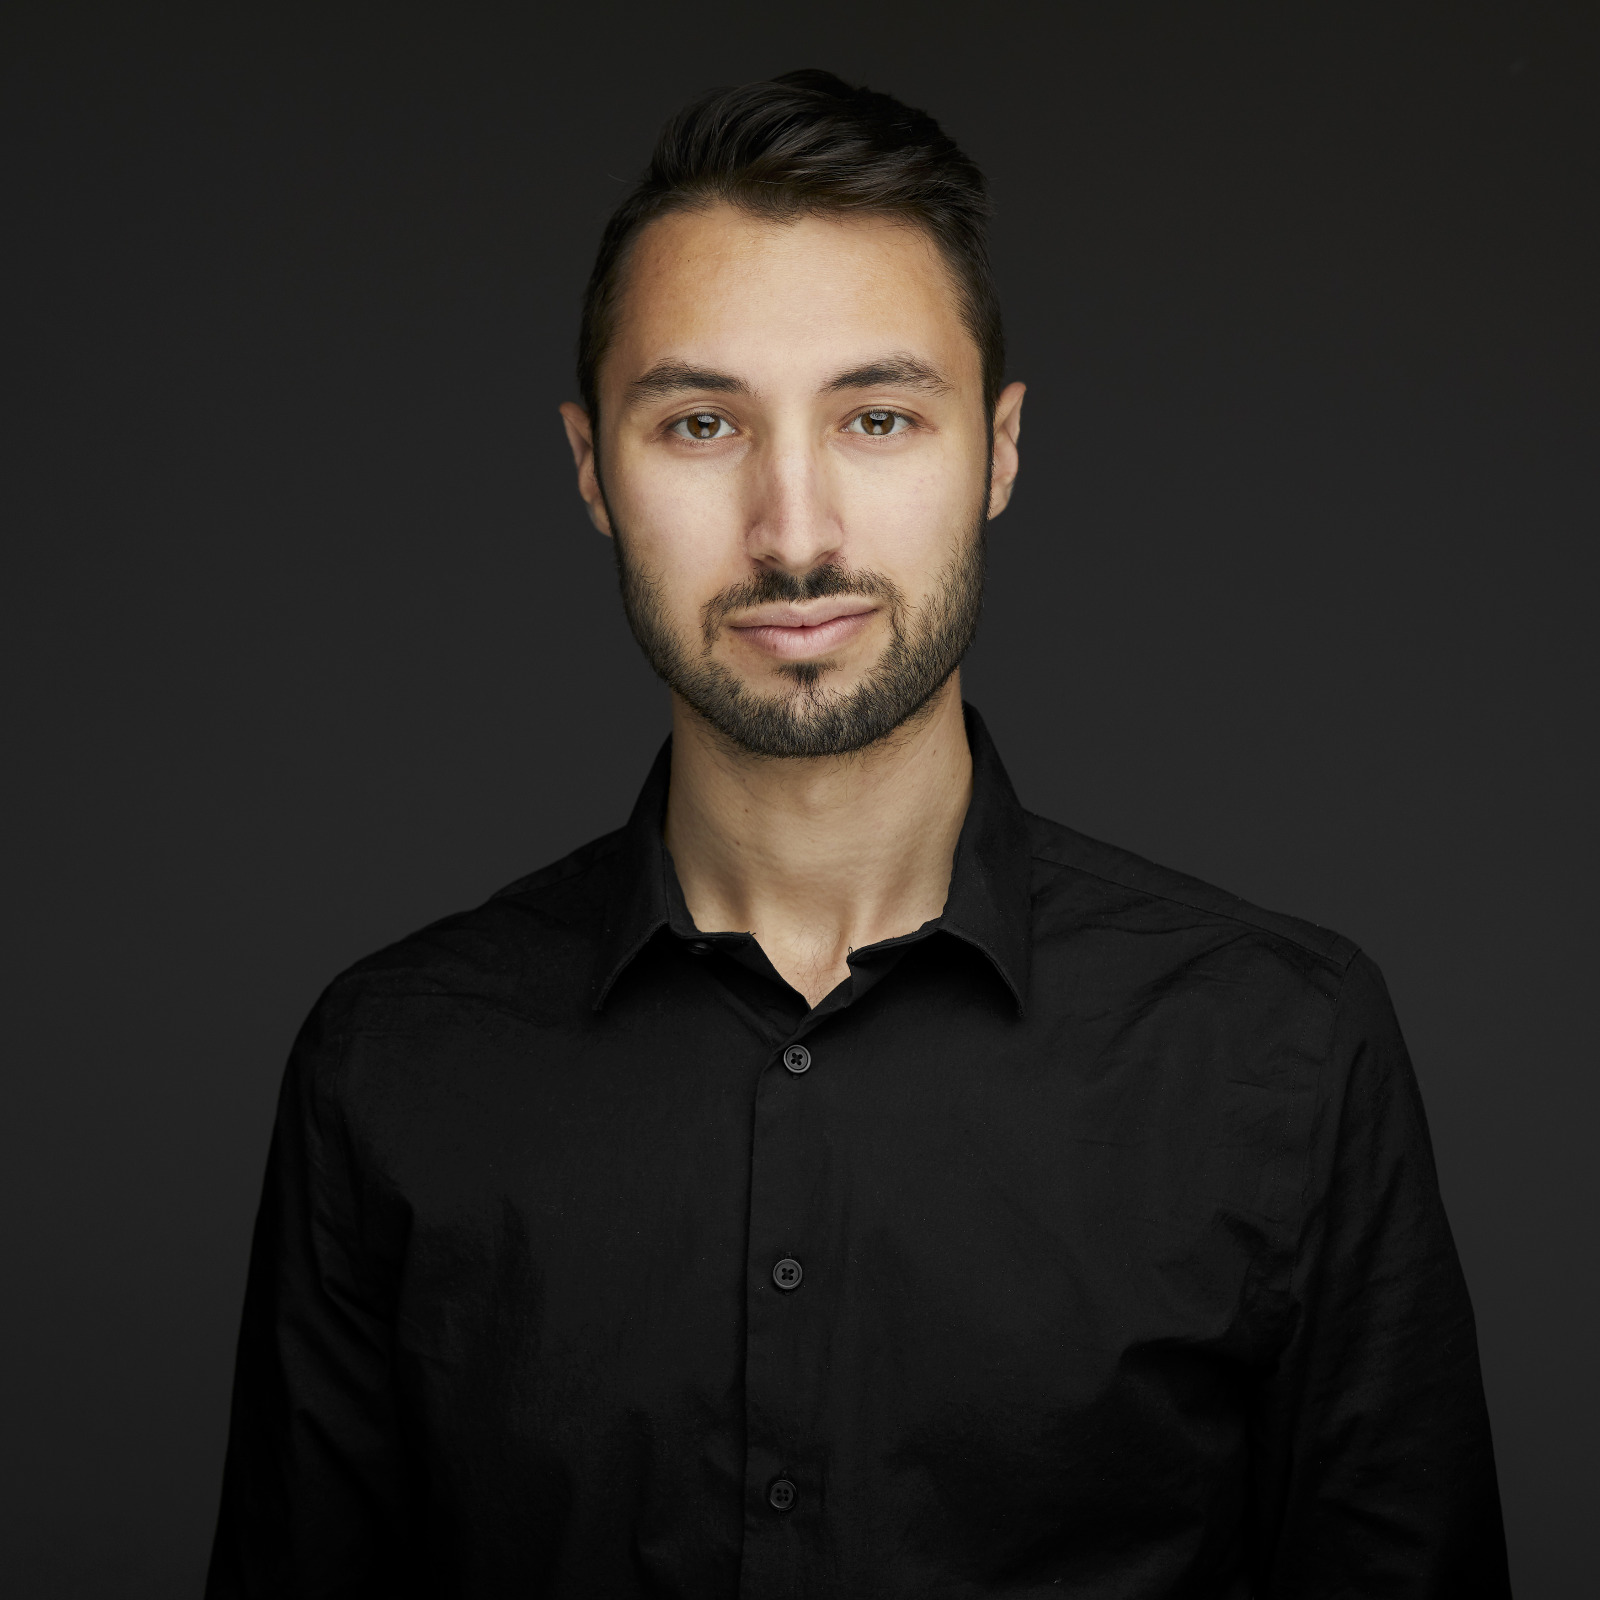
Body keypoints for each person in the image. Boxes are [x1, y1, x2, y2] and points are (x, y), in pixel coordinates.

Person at [206, 70, 1509, 1598]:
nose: (796, 530)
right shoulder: (392, 1067)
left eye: (878, 416)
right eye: (700, 423)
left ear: (1000, 451)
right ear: (590, 473)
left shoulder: (1283, 1052)